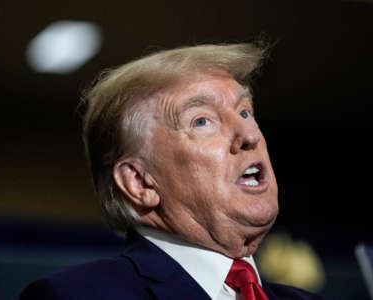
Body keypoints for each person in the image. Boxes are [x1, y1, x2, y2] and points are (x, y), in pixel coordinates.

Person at [19, 43, 327, 299]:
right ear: (140, 183)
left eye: (245, 111)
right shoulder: (76, 296)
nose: (249, 134)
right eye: (202, 121)